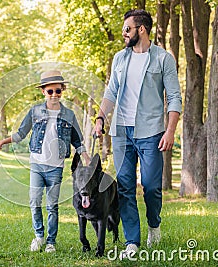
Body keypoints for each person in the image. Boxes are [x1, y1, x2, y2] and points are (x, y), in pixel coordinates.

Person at [93, 10, 182, 259]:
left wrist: (171, 130)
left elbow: (174, 97)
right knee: (125, 187)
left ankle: (154, 224)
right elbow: (111, 91)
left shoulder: (163, 59)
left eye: (128, 29)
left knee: (152, 186)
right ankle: (132, 241)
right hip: (121, 131)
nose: (124, 33)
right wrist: (101, 117)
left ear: (141, 29)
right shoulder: (120, 59)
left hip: (152, 131)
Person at [0, 70, 90, 253]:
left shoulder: (69, 114)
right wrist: (2, 141)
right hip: (37, 165)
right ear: (43, 92)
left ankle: (51, 242)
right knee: (34, 201)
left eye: (58, 91)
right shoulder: (35, 111)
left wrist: (87, 159)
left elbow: (77, 141)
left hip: (56, 167)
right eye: (50, 91)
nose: (54, 95)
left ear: (63, 90)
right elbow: (21, 133)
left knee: (52, 205)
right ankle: (39, 236)